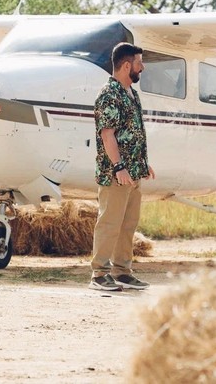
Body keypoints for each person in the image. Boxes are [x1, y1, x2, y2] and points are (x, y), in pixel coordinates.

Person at [90, 42, 155, 291]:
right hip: (115, 174)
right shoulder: (109, 95)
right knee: (109, 223)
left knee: (128, 224)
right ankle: (99, 274)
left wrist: (143, 165)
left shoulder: (131, 93)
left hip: (134, 172)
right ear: (127, 65)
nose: (143, 67)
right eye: (139, 62)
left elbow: (133, 133)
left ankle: (122, 271)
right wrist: (119, 167)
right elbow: (108, 135)